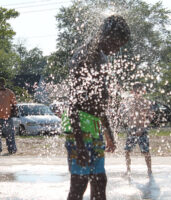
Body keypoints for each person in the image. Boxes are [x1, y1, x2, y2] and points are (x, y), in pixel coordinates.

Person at [62, 15, 130, 200]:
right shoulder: (85, 55)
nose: (116, 50)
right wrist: (80, 143)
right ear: (106, 35)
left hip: (93, 126)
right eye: (116, 44)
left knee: (100, 180)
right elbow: (73, 101)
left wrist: (108, 132)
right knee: (80, 181)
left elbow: (98, 101)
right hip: (79, 126)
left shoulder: (100, 56)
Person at [123, 83, 153, 177]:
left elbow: (149, 117)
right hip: (132, 129)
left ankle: (149, 170)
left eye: (139, 91)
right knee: (127, 151)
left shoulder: (145, 102)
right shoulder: (130, 102)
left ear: (143, 91)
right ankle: (128, 169)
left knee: (145, 151)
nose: (138, 93)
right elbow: (129, 117)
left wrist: (143, 128)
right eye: (136, 91)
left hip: (142, 129)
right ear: (132, 92)